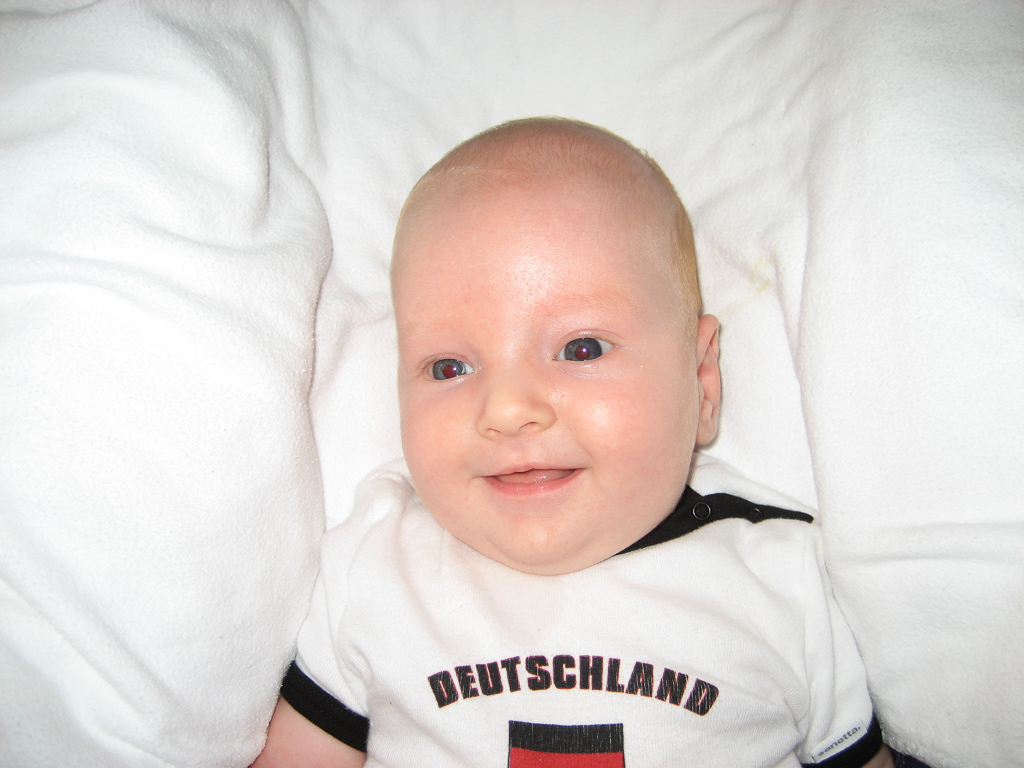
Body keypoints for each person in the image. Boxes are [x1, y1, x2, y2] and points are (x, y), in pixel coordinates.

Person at [253, 118, 894, 767]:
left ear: (702, 384)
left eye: (581, 349)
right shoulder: (379, 563)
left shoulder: (778, 578)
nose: (507, 409)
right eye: (449, 367)